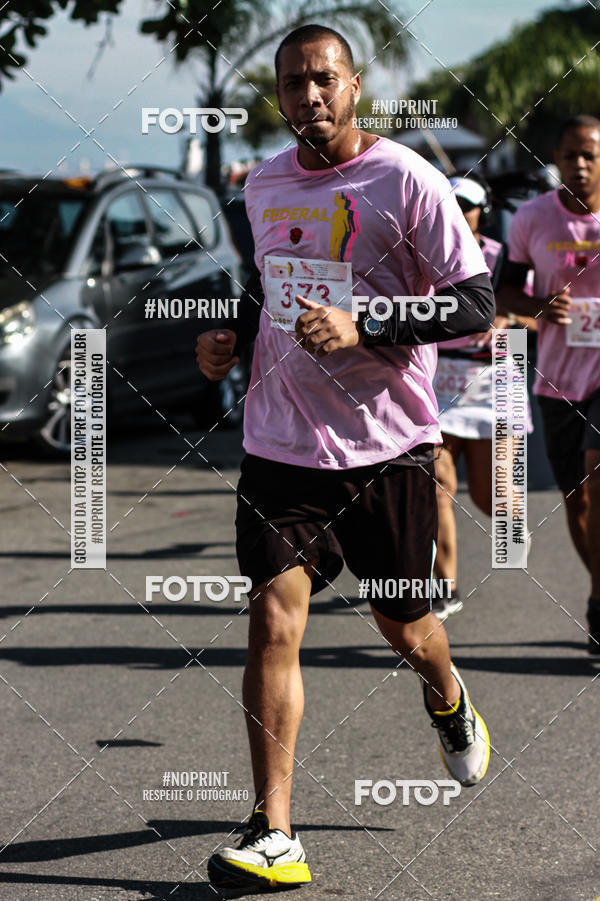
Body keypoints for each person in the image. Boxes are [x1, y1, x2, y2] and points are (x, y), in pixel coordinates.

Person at [196, 24, 494, 890]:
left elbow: (473, 301)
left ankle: (446, 693)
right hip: (281, 446)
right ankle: (273, 831)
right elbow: (266, 290)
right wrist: (228, 341)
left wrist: (371, 323)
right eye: (292, 84)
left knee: (405, 628)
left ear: (354, 86)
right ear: (280, 96)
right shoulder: (263, 182)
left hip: (387, 448)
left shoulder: (405, 178)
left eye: (323, 80)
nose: (308, 97)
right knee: (273, 622)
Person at [498, 114, 600, 656]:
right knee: (578, 502)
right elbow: (503, 293)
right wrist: (539, 306)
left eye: (589, 155)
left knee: (596, 478)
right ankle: (599, 590)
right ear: (556, 159)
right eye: (569, 156)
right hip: (557, 379)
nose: (579, 166)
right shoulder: (532, 218)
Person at [433, 176, 533, 620]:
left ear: (483, 211)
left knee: (494, 500)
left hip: (499, 374)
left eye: (468, 205)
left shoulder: (503, 257)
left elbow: (539, 317)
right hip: (440, 378)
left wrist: (510, 321)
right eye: (452, 204)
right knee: (437, 485)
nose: (460, 211)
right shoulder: (425, 255)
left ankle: (514, 523)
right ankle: (444, 587)